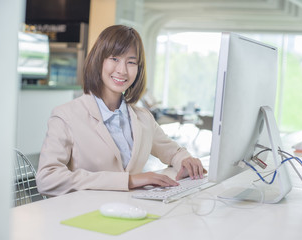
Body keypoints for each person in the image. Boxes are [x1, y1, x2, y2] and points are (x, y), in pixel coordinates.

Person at [36, 25, 206, 197]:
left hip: (131, 211)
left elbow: (173, 152)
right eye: (114, 59)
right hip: (83, 216)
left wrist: (186, 160)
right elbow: (47, 179)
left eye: (131, 62)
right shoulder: (66, 116)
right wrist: (130, 180)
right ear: (99, 60)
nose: (122, 70)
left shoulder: (143, 118)